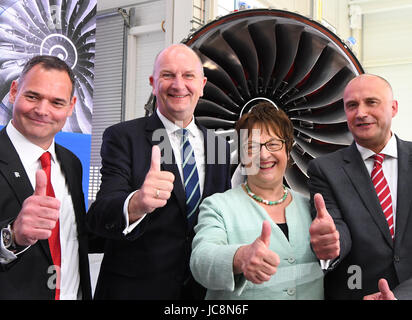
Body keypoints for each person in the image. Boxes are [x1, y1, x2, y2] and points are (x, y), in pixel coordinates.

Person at [86, 44, 231, 299]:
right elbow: (100, 214)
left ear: (202, 84)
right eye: (167, 75)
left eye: (188, 76)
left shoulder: (219, 146)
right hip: (136, 291)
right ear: (153, 83)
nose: (178, 85)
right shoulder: (122, 137)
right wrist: (137, 203)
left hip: (200, 291)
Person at [190, 102, 324, 299]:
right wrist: (239, 258)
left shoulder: (310, 208)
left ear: (287, 150)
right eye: (251, 146)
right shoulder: (218, 206)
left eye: (273, 144)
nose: (263, 154)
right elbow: (201, 260)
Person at [308, 73, 412, 299]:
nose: (361, 113)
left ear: (393, 108)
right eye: (352, 105)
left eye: (371, 102)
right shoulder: (324, 170)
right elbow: (335, 228)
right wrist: (331, 244)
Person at [0, 55, 92, 299]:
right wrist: (12, 237)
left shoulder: (72, 163)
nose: (42, 111)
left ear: (71, 106)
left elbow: (73, 239)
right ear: (14, 91)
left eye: (56, 102)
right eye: (32, 96)